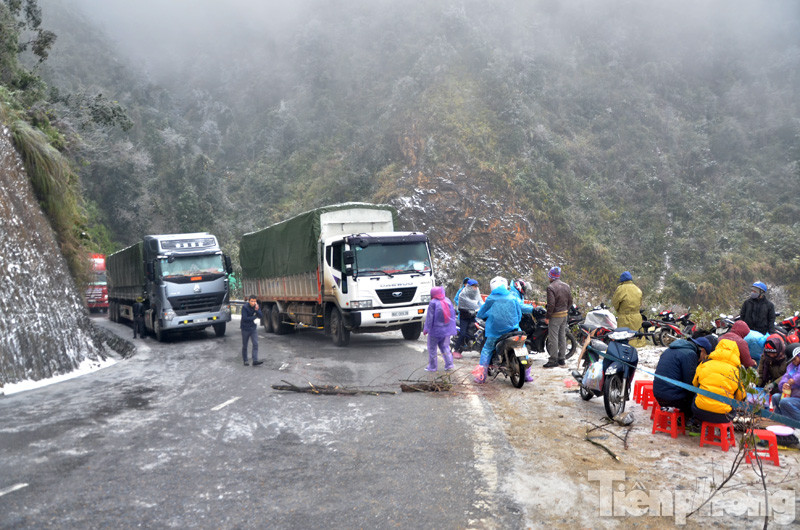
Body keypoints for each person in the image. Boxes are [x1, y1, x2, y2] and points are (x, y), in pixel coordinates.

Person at [474, 276, 525, 384]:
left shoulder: (491, 299)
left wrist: (485, 315)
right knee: (521, 345)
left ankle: (481, 376)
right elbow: (519, 314)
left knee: (487, 350)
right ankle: (527, 375)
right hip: (512, 329)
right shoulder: (512, 297)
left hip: (494, 333)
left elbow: (481, 313)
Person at [653, 336, 714, 419]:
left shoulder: (669, 350)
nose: (701, 360)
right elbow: (690, 384)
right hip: (672, 399)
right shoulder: (690, 354)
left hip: (658, 395)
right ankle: (690, 422)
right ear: (702, 350)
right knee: (700, 400)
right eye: (704, 356)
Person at [692, 338, 746, 424]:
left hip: (700, 411)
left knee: (698, 393)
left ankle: (696, 424)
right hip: (723, 416)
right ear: (736, 353)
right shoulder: (737, 371)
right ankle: (725, 432)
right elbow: (741, 396)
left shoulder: (705, 364)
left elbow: (694, 384)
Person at [543, 267, 573, 368]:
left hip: (555, 316)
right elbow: (570, 302)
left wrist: (547, 316)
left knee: (553, 337)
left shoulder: (551, 287)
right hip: (564, 315)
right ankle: (562, 359)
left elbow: (551, 304)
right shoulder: (566, 286)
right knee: (562, 336)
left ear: (551, 276)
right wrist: (566, 310)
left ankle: (553, 360)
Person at [423, 286, 457, 372]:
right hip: (446, 330)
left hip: (435, 330)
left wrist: (426, 328)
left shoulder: (433, 303)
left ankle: (432, 367)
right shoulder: (448, 301)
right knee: (445, 347)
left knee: (432, 349)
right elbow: (452, 316)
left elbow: (430, 318)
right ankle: (449, 364)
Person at [611, 271, 646, 348]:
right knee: (636, 337)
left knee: (624, 338)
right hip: (637, 317)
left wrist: (619, 311)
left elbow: (615, 302)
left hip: (625, 317)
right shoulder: (637, 289)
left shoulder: (620, 289)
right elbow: (640, 303)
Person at [453, 279, 482, 358]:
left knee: (477, 330)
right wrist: (469, 311)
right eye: (474, 286)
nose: (475, 288)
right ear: (469, 286)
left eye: (476, 286)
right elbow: (461, 306)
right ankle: (456, 349)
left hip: (473, 316)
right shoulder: (462, 294)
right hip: (464, 317)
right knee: (463, 333)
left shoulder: (476, 294)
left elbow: (480, 303)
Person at [770, 348, 800, 422]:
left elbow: (797, 377)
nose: (793, 361)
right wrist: (784, 384)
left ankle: (797, 423)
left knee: (784, 402)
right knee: (775, 397)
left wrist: (794, 380)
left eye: (795, 358)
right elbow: (785, 377)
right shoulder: (791, 366)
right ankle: (780, 420)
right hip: (793, 396)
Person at [241, 295, 263, 366]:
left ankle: (255, 360)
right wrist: (254, 317)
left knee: (255, 344)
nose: (253, 303)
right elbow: (245, 318)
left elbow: (261, 316)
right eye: (252, 301)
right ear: (249, 301)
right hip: (245, 328)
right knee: (245, 345)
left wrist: (257, 310)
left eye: (254, 301)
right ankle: (245, 360)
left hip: (253, 328)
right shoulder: (245, 307)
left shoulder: (256, 306)